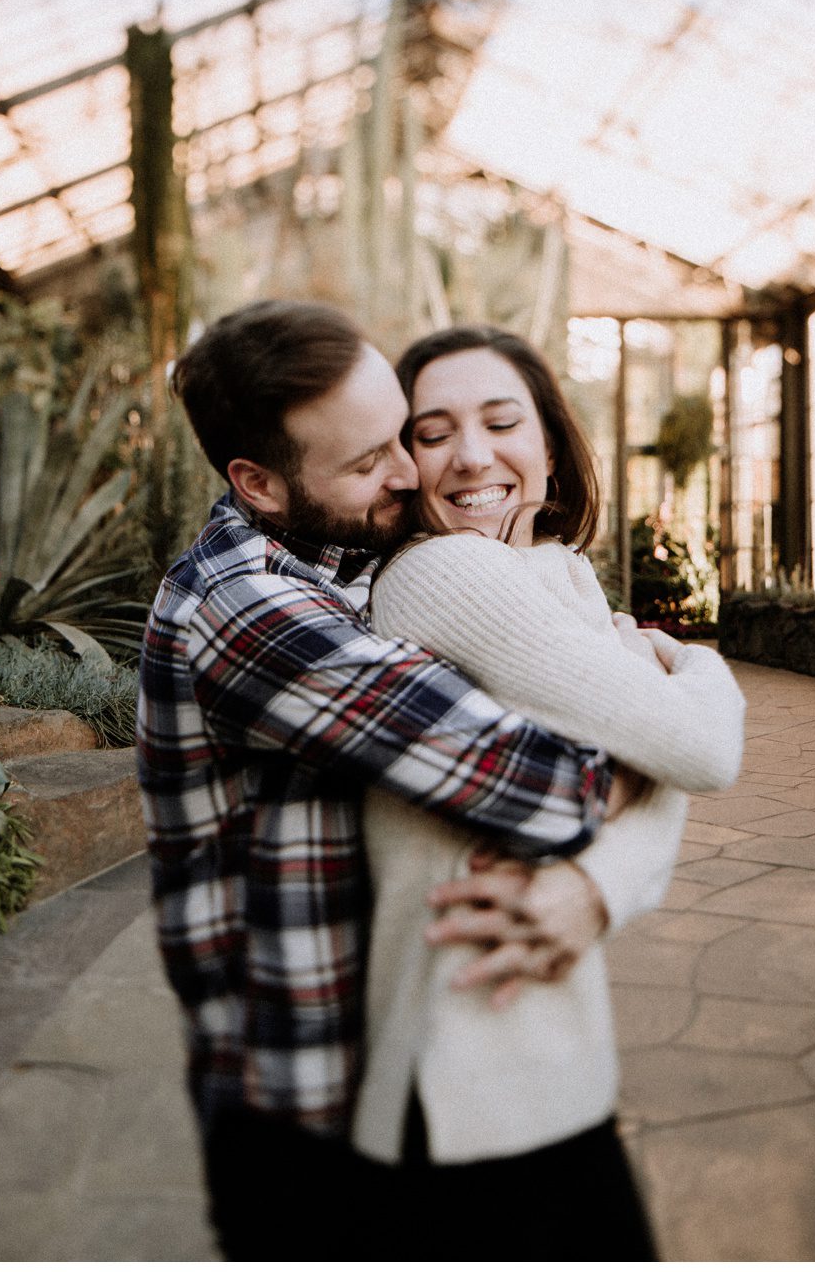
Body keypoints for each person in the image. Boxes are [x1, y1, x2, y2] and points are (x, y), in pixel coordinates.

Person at [138, 300, 635, 1260]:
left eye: (403, 434)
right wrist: (647, 699)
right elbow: (551, 786)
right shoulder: (250, 610)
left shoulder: (348, 558)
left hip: (395, 1072)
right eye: (371, 460)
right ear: (258, 483)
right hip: (299, 1120)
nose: (411, 473)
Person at [350, 325, 747, 1259]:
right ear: (403, 464)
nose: (471, 455)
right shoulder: (445, 574)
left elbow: (654, 759)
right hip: (460, 1070)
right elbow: (697, 748)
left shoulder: (557, 578)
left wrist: (595, 886)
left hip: (535, 1053)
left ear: (552, 451)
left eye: (501, 422)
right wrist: (696, 667)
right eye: (433, 432)